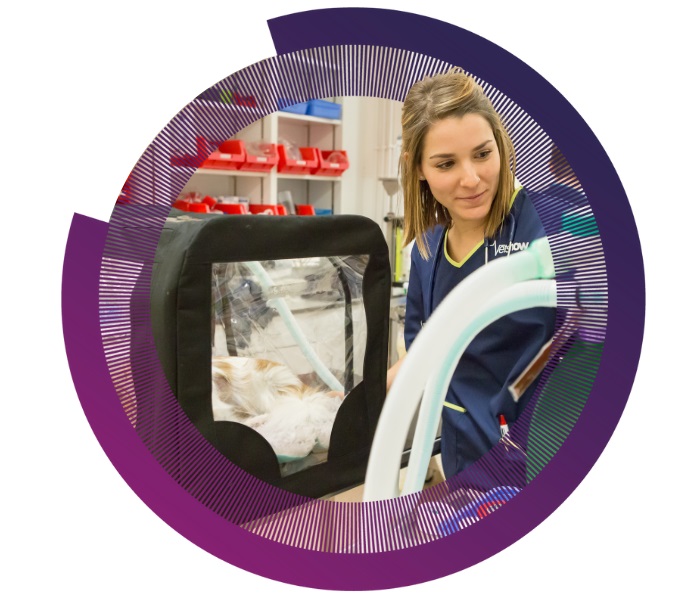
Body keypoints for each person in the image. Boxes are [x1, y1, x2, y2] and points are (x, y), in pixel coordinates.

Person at [387, 69, 556, 485]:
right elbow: (427, 349)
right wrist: (358, 400)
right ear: (418, 168)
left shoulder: (549, 227)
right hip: (468, 463)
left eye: (482, 154)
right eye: (446, 163)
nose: (471, 178)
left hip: (549, 458)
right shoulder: (427, 251)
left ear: (499, 143)